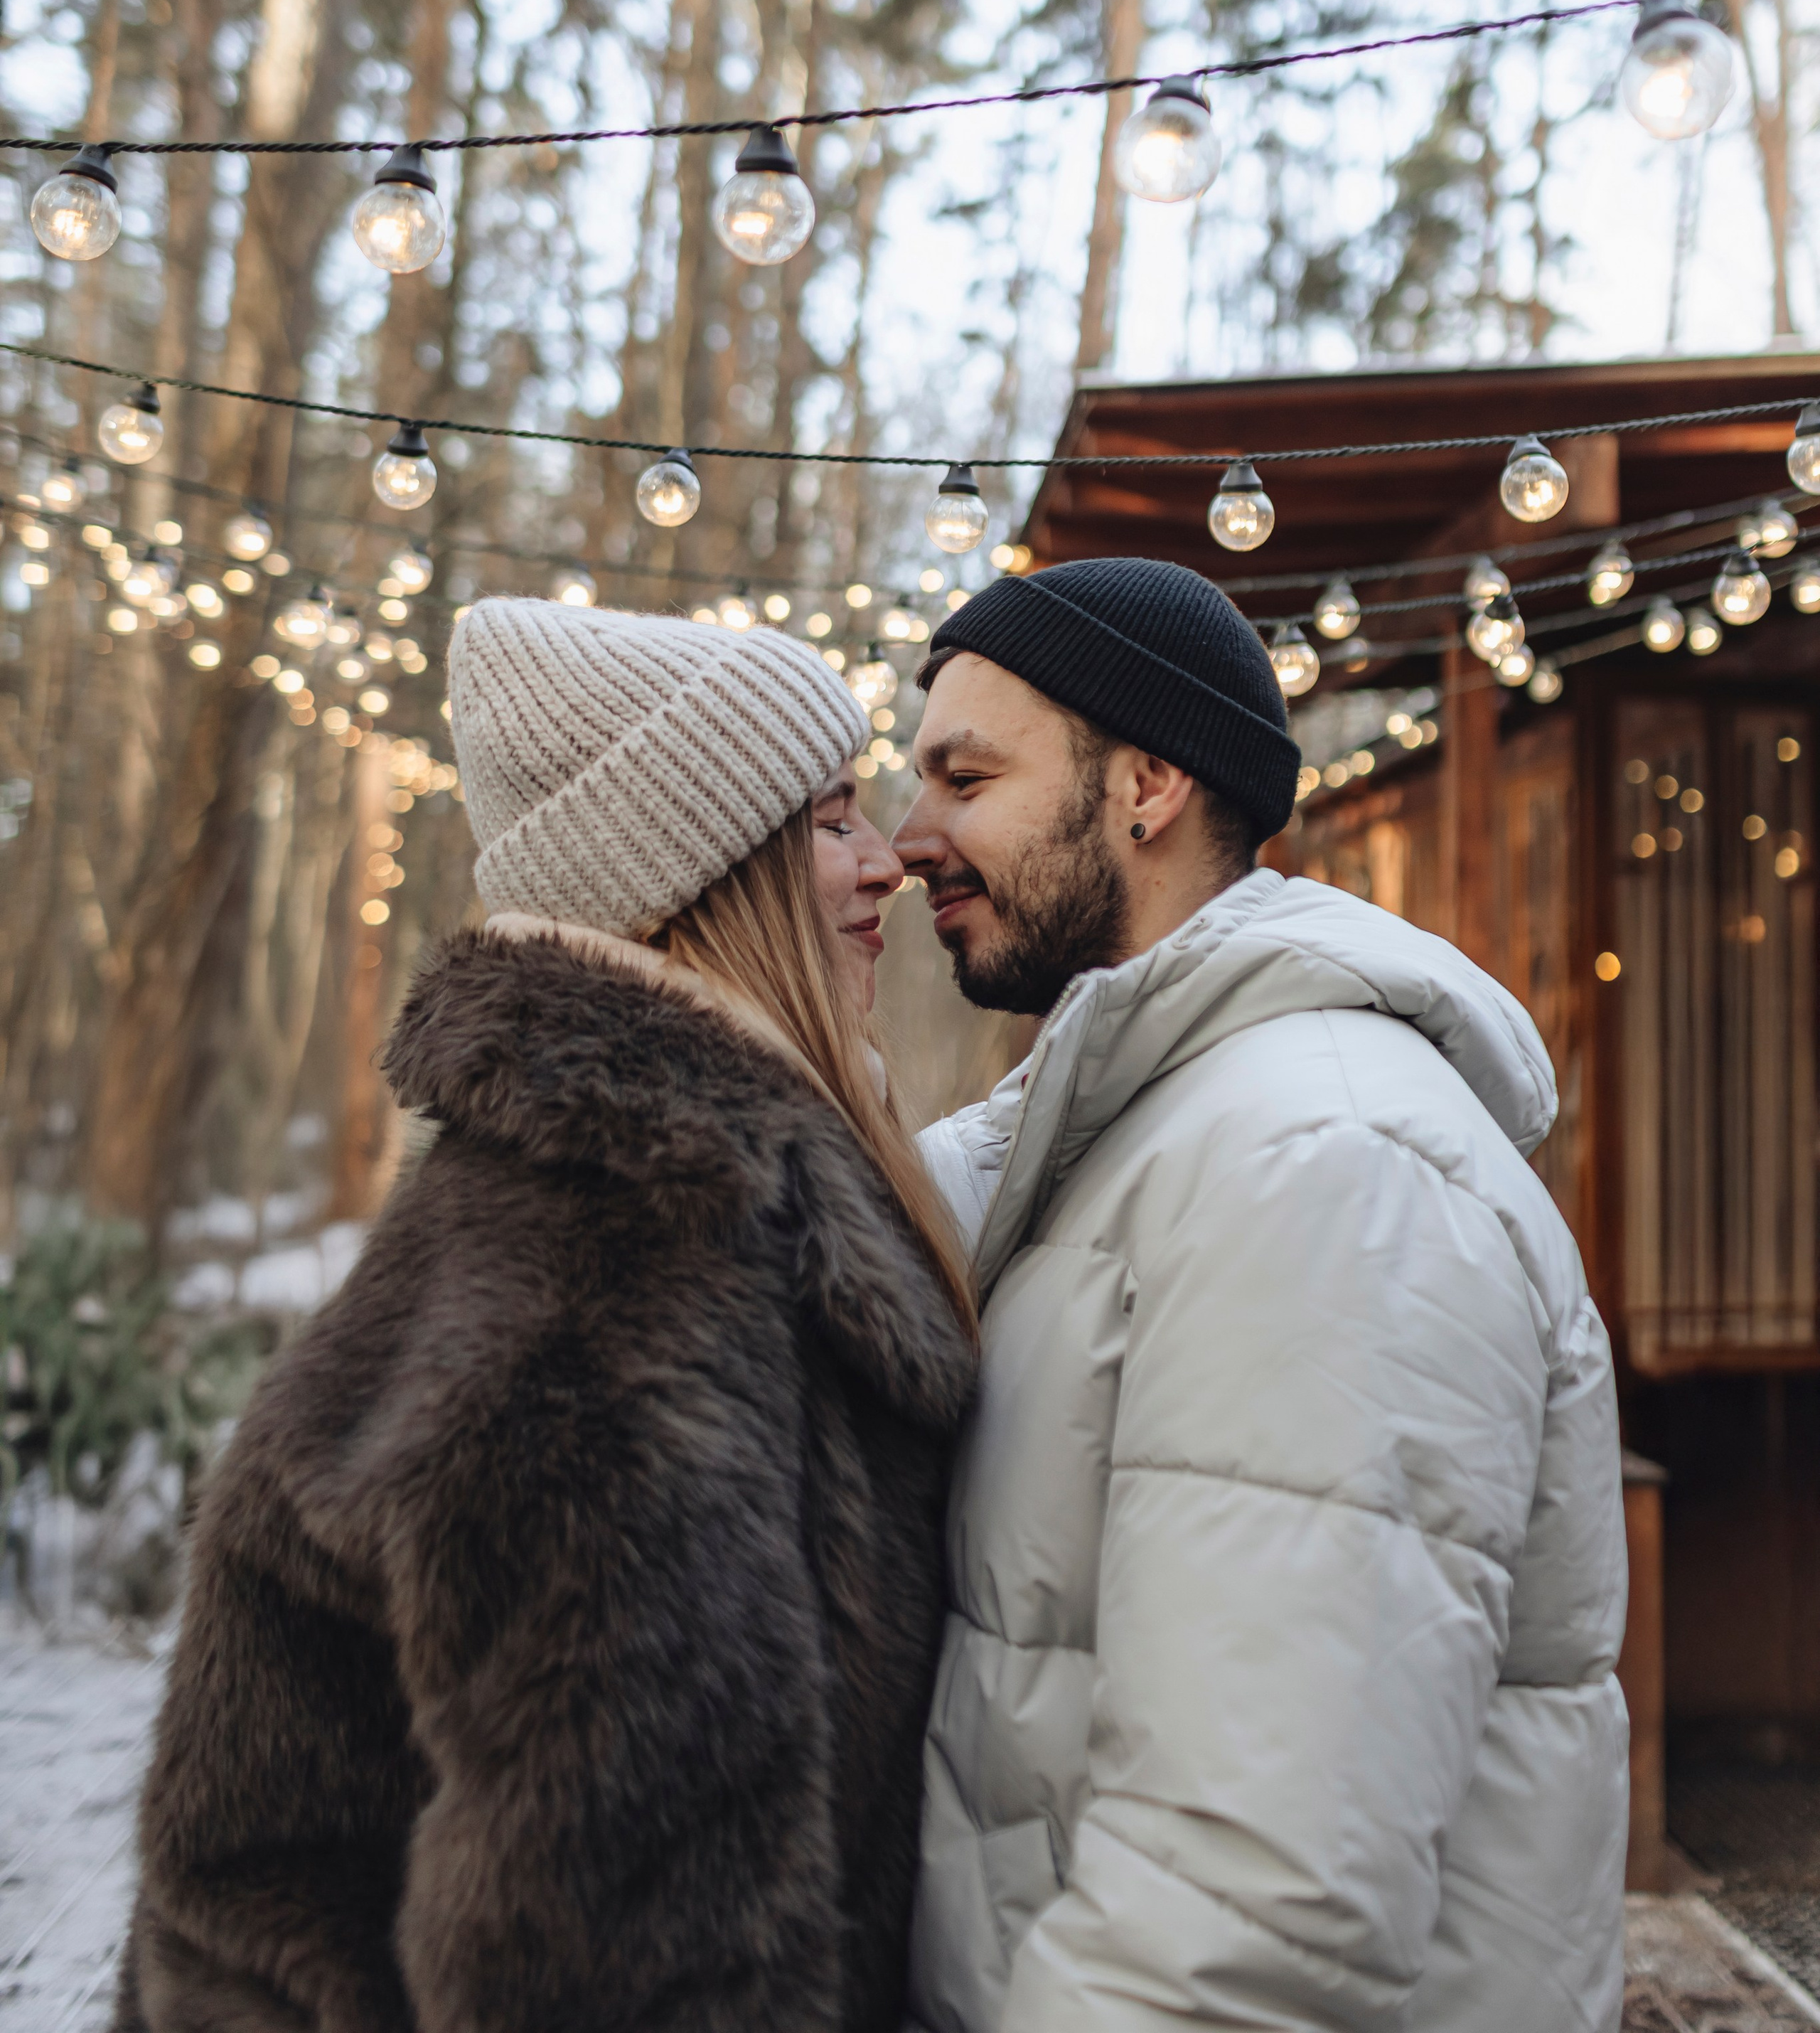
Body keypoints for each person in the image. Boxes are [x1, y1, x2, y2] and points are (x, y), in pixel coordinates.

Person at [114, 602, 977, 2033]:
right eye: (832, 820)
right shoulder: (617, 1270)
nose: (886, 859)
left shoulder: (652, 1206)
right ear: (697, 876)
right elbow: (609, 1959)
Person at [894, 555, 1628, 2033]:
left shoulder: (1325, 1166)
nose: (910, 839)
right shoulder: (1129, 1130)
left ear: (1146, 785)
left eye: (965, 779)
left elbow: (1246, 1916)